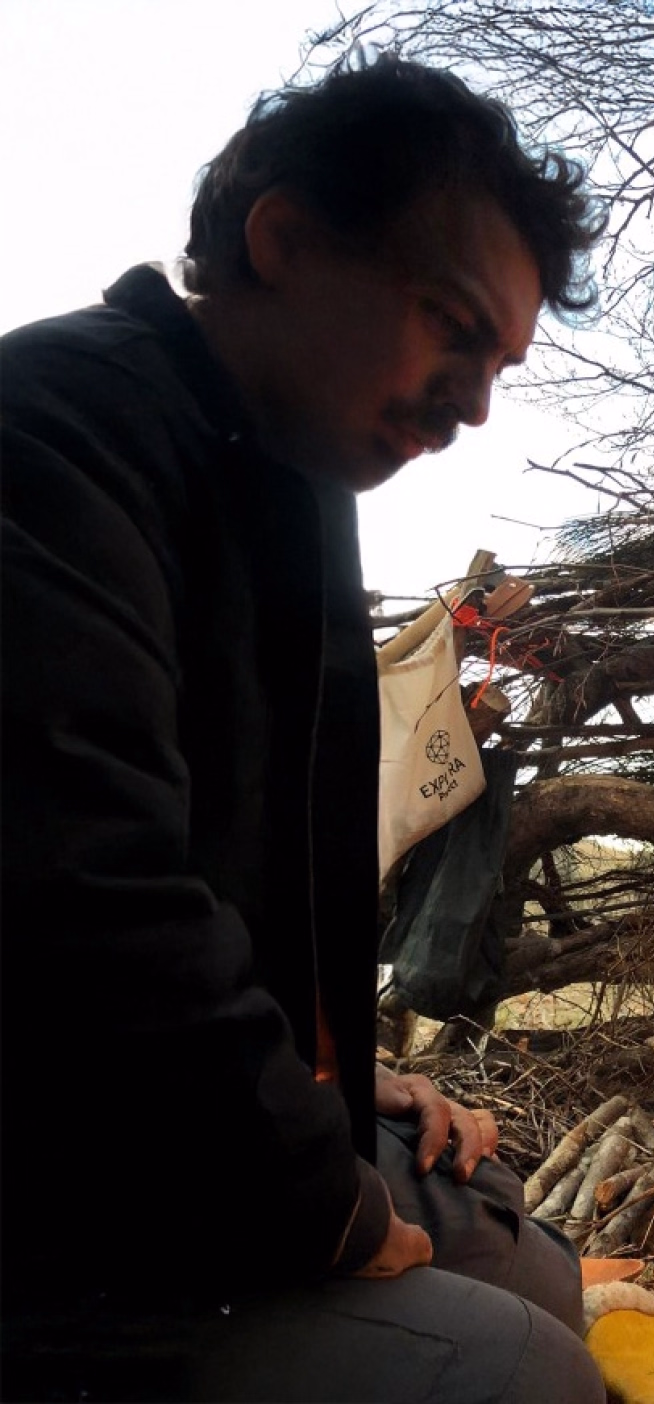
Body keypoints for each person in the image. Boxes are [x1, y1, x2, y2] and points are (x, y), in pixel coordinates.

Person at [1, 54, 606, 1401]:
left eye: (500, 365)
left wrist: (335, 1077)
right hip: (44, 1184)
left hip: (147, 1128)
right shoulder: (52, 438)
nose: (476, 405)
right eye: (452, 327)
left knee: (524, 1255)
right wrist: (321, 1199)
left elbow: (250, 868)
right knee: (518, 1369)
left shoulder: (284, 484)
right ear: (283, 242)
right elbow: (88, 910)